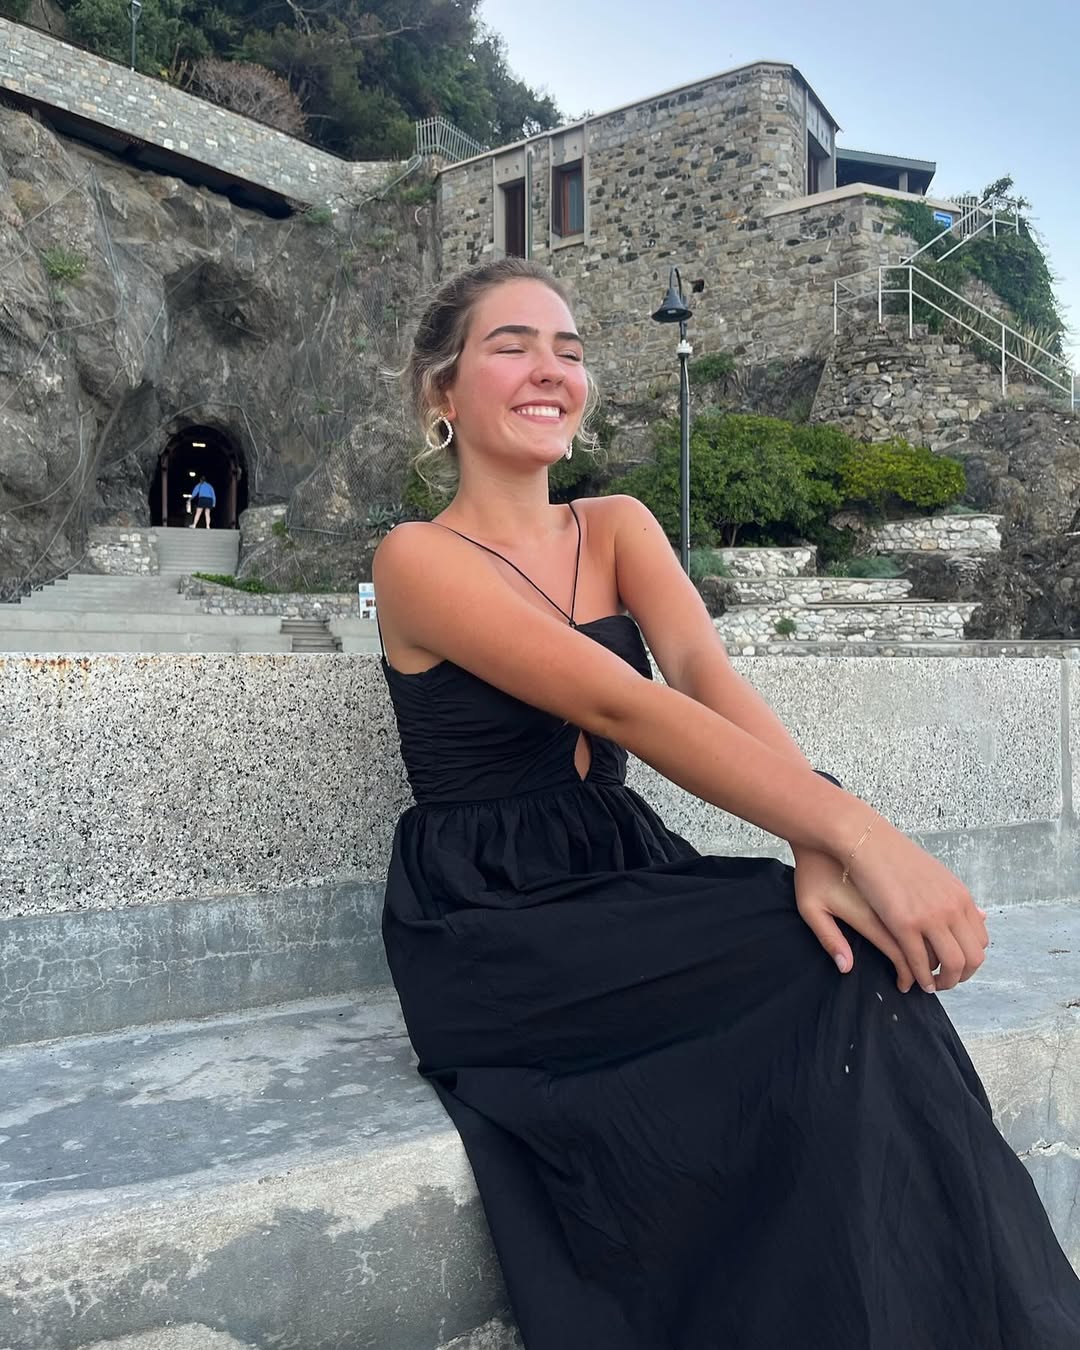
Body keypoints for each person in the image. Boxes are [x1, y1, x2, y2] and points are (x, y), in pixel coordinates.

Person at [372, 258, 1080, 1349]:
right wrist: (860, 835)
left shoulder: (617, 524)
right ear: (442, 390)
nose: (551, 369)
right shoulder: (416, 557)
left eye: (570, 350)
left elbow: (704, 673)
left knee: (855, 962)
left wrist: (819, 838)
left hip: (620, 864)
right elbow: (624, 704)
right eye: (511, 346)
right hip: (493, 915)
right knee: (826, 972)